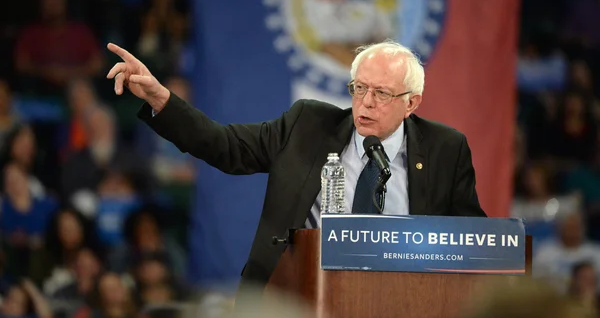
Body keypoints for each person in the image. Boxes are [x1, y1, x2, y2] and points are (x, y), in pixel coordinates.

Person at [105, 40, 486, 287]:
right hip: (299, 295)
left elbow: (473, 244)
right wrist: (161, 100)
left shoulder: (445, 150)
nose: (366, 102)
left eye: (382, 93)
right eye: (359, 89)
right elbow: (224, 146)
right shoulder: (308, 126)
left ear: (412, 102)